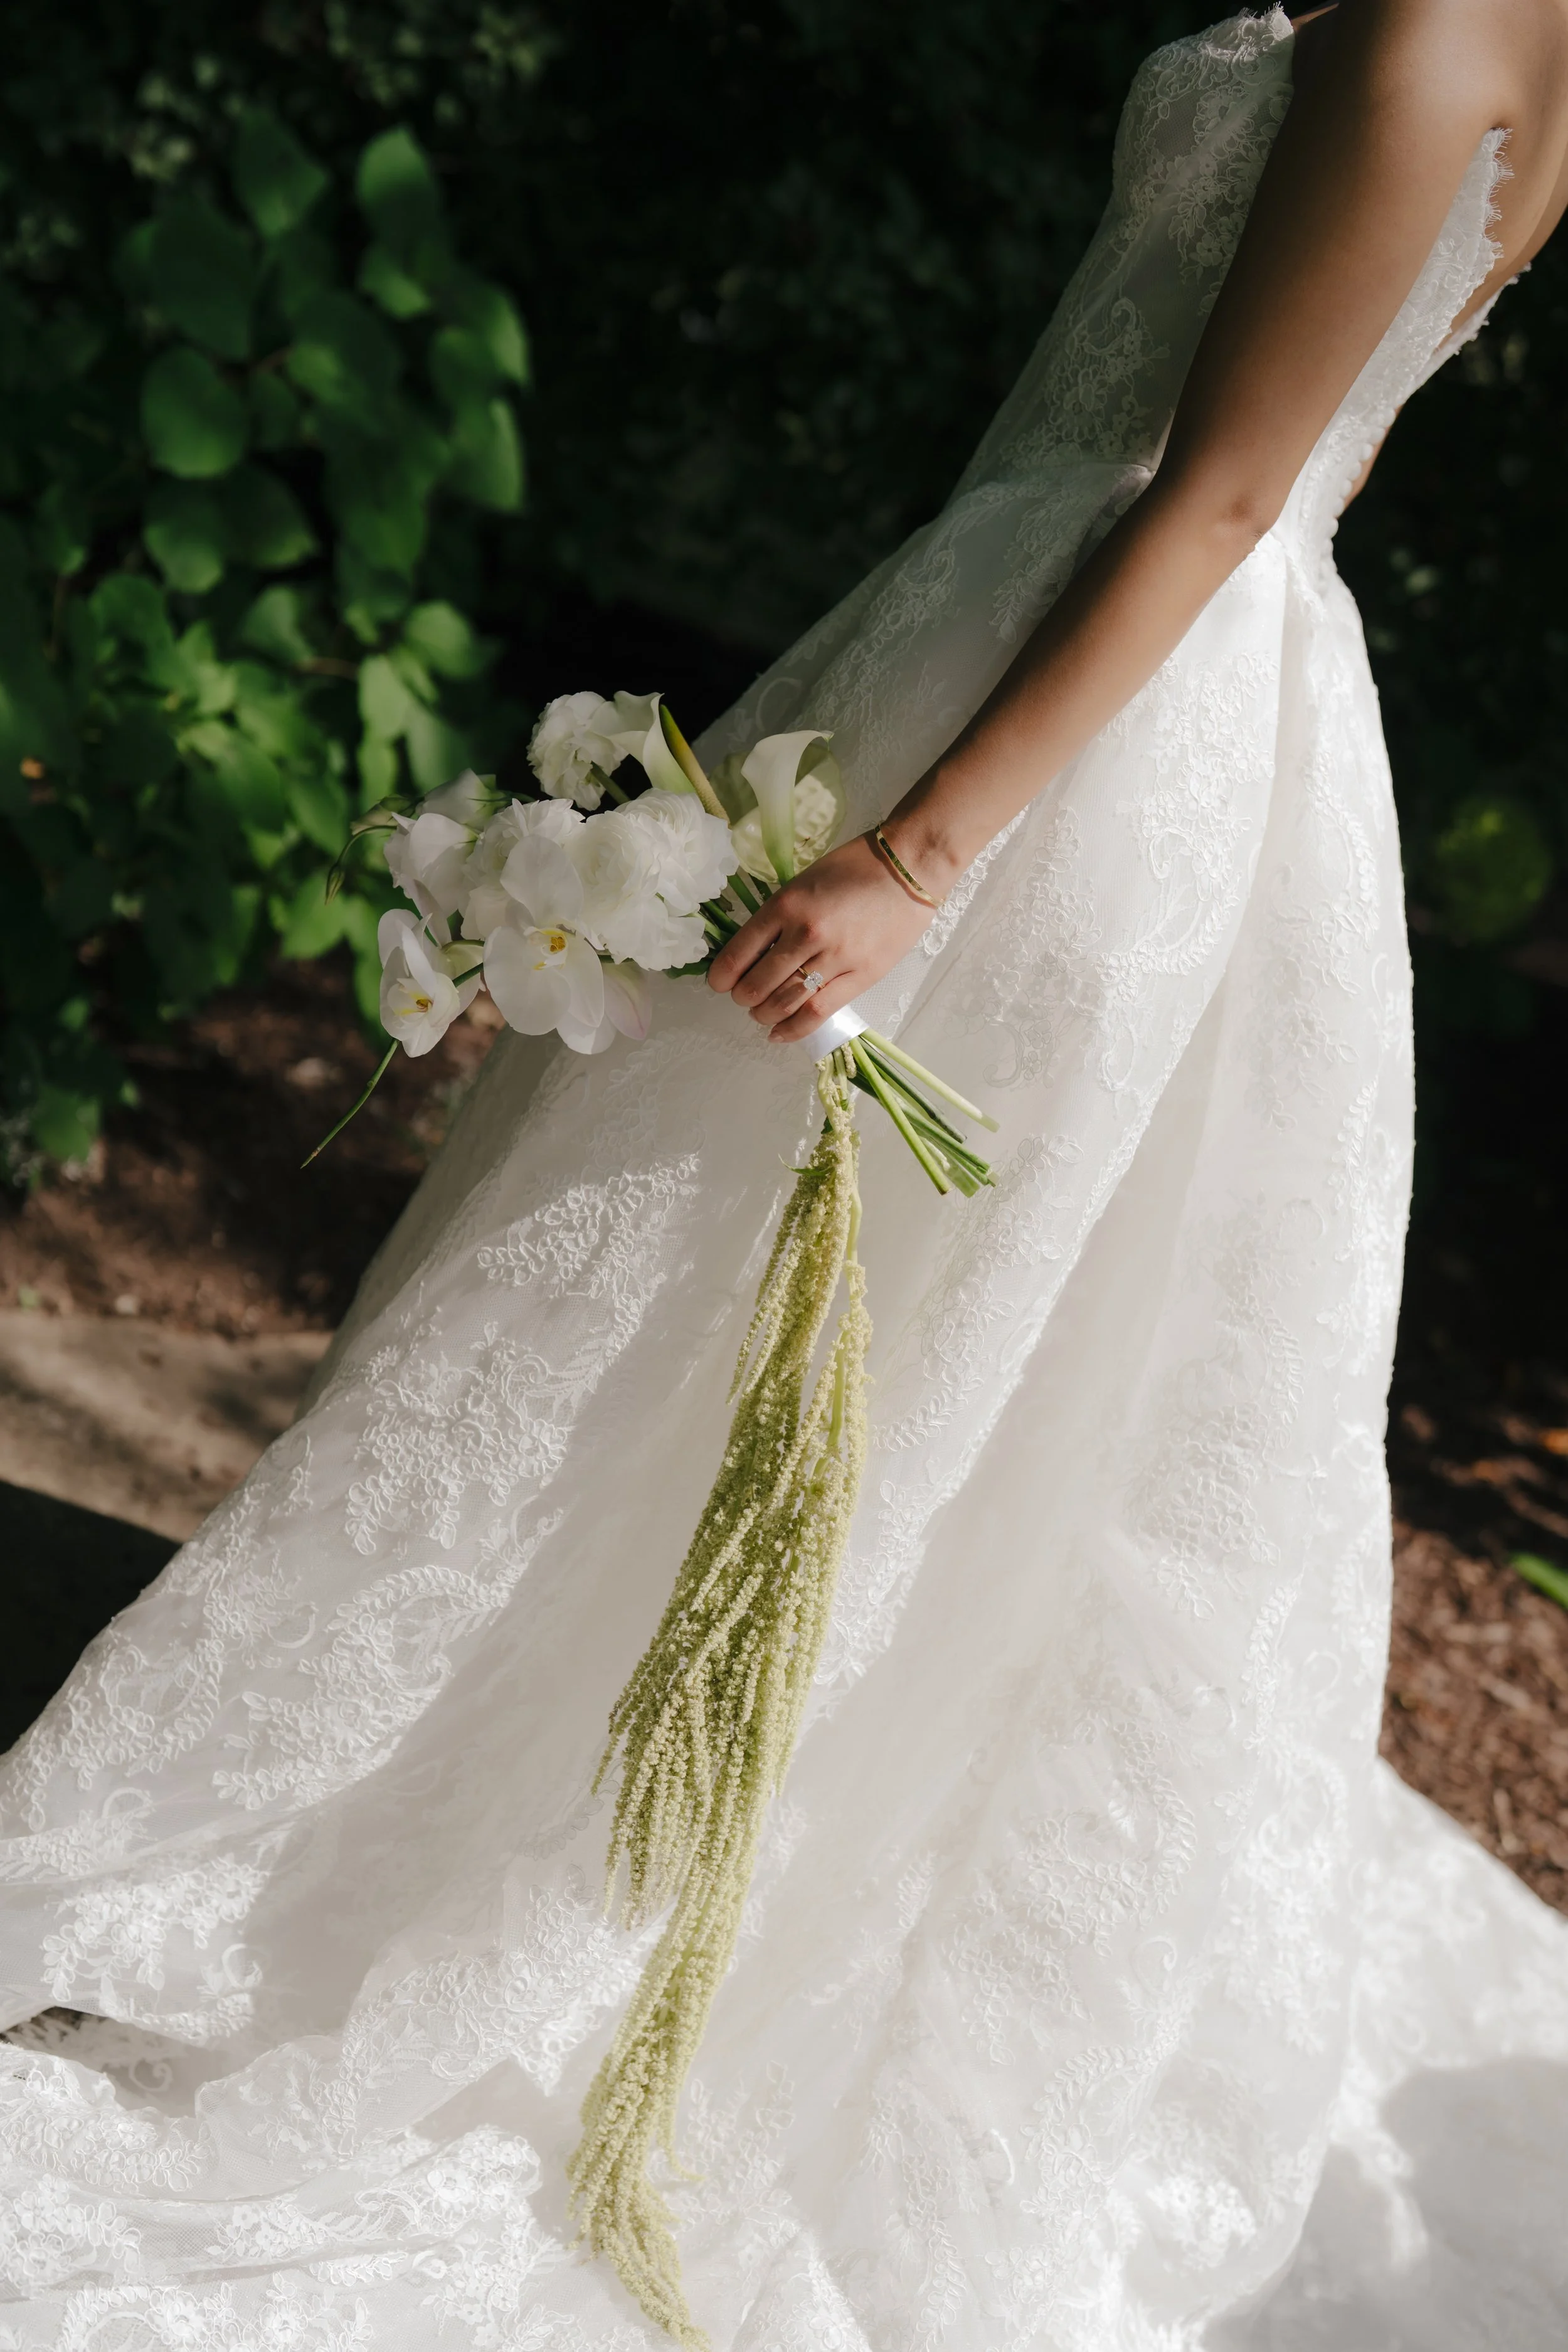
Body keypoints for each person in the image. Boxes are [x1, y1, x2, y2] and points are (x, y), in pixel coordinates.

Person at [2, 4, 1566, 2347]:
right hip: (1099, 653)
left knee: (767, 1304)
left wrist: (928, 851)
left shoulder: (1442, 20)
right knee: (800, 1314)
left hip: (1102, 716)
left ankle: (601, 1900)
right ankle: (571, 1822)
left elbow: (1233, 491)